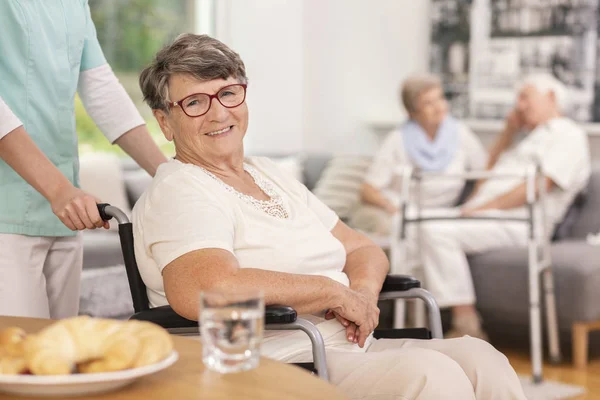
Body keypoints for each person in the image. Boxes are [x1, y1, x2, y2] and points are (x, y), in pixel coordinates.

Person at [132, 33, 526, 399]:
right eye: (196, 102)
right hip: (277, 361)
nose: (218, 113)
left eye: (228, 93)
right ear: (165, 121)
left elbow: (361, 247)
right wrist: (332, 292)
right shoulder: (181, 189)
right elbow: (206, 287)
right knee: (430, 373)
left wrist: (363, 296)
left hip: (347, 345)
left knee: (481, 359)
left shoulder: (268, 173)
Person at [0, 1, 167, 319]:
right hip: (8, 215)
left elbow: (100, 87)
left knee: (63, 355)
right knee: (16, 357)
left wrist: (169, 174)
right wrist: (58, 190)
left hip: (63, 218)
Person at [416, 73, 591, 339]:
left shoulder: (568, 135)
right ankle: (409, 323)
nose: (519, 105)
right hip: (487, 215)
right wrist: (507, 134)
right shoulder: (527, 139)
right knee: (411, 222)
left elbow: (540, 186)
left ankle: (466, 324)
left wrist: (486, 207)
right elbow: (482, 178)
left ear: (551, 98)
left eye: (525, 97)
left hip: (520, 222)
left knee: (434, 231)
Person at [350, 74, 487, 236]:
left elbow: (484, 172)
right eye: (428, 103)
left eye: (440, 98)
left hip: (444, 215)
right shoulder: (398, 139)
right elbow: (368, 190)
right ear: (413, 112)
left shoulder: (461, 134)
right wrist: (393, 209)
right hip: (405, 213)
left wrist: (472, 204)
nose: (439, 107)